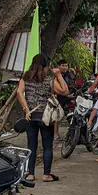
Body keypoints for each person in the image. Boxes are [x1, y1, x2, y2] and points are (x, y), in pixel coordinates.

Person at [17, 53, 69, 185]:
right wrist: (58, 75)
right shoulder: (49, 80)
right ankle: (46, 174)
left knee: (31, 146)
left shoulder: (26, 77)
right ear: (46, 66)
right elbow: (64, 91)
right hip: (45, 117)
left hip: (31, 116)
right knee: (47, 147)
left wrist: (26, 109)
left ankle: (30, 174)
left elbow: (19, 92)